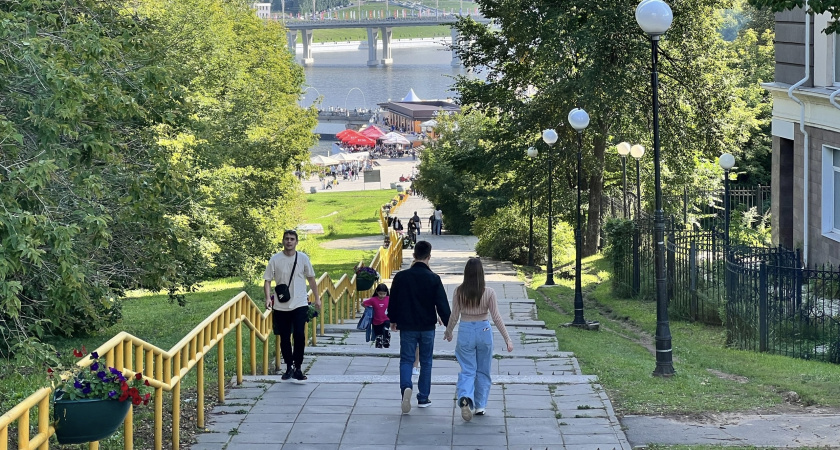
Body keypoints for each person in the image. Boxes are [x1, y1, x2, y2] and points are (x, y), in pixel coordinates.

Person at [444, 257, 513, 422]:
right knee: (483, 370)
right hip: (484, 330)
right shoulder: (489, 292)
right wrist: (507, 339)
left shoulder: (459, 292)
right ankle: (480, 406)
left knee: (468, 369)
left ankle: (466, 397)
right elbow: (496, 317)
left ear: (466, 273)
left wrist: (449, 331)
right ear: (481, 273)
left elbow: (454, 315)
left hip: (466, 330)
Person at [388, 241, 451, 414]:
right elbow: (442, 305)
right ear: (429, 257)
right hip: (427, 326)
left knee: (407, 360)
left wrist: (393, 319)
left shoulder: (401, 277)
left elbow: (393, 300)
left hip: (407, 326)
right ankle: (423, 397)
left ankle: (406, 389)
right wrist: (448, 326)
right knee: (426, 362)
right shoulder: (434, 279)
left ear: (414, 255)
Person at [264, 230, 321, 382]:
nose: (289, 241)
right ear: (282, 241)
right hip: (281, 306)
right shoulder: (275, 259)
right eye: (286, 239)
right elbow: (267, 280)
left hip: (300, 303)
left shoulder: (302, 258)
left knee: (299, 335)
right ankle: (288, 366)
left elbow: (311, 279)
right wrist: (267, 298)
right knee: (284, 337)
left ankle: (298, 367)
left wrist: (317, 298)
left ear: (296, 242)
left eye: (292, 239)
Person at [363, 284, 391, 348]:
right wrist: (368, 309)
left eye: (384, 294)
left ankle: (386, 341)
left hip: (386, 319)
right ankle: (379, 344)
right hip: (376, 320)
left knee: (385, 329)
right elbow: (363, 303)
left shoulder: (388, 299)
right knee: (378, 334)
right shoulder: (373, 300)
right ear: (377, 292)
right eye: (380, 293)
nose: (382, 296)